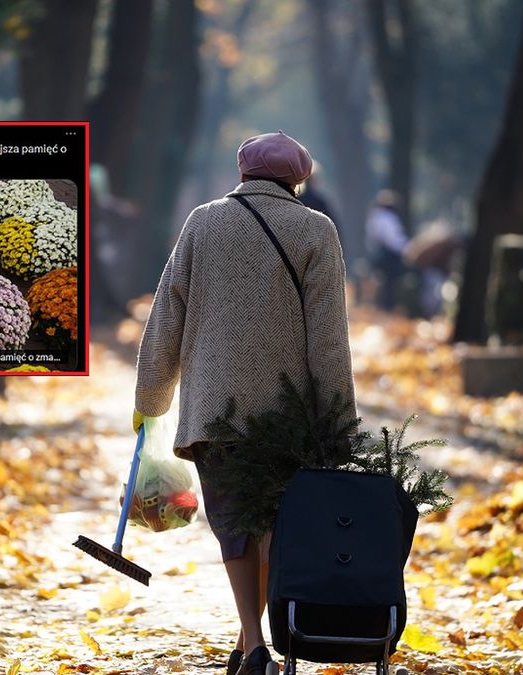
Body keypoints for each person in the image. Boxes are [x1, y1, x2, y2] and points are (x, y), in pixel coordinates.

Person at [133, 131, 356, 675]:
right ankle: (260, 644)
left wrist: (150, 398)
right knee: (277, 525)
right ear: (298, 179)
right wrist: (337, 422)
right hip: (289, 414)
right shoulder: (316, 230)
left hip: (215, 409)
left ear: (242, 173)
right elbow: (328, 339)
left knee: (235, 526)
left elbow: (167, 316)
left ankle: (251, 644)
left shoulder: (202, 223)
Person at [365, 189, 408, 311]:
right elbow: (394, 241)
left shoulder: (374, 216)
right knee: (392, 281)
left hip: (377, 255)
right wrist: (407, 249)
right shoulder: (388, 218)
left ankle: (382, 305)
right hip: (388, 257)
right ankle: (390, 306)